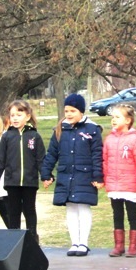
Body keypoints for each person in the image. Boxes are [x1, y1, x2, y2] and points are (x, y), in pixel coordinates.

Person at [42, 94, 103, 257]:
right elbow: (52, 153)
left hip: (84, 176)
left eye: (73, 111)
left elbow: (97, 154)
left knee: (83, 207)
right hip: (66, 175)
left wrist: (98, 176)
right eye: (66, 111)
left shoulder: (92, 129)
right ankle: (74, 242)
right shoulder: (60, 130)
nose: (69, 114)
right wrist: (46, 173)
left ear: (81, 111)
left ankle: (84, 243)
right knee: (70, 208)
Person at [0, 100, 45, 243]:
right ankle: (14, 240)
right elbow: (0, 159)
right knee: (13, 211)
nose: (15, 118)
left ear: (27, 116)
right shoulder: (7, 136)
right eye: (12, 115)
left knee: (29, 210)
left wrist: (45, 176)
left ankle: (32, 239)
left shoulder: (34, 136)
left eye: (19, 114)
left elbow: (41, 159)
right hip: (12, 182)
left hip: (29, 182)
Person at [102, 103, 136, 257]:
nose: (113, 120)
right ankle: (119, 245)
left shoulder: (135, 139)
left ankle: (134, 245)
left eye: (117, 117)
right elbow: (105, 161)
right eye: (112, 117)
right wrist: (105, 178)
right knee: (117, 214)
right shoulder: (109, 139)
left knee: (132, 214)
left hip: (130, 184)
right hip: (114, 184)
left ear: (128, 120)